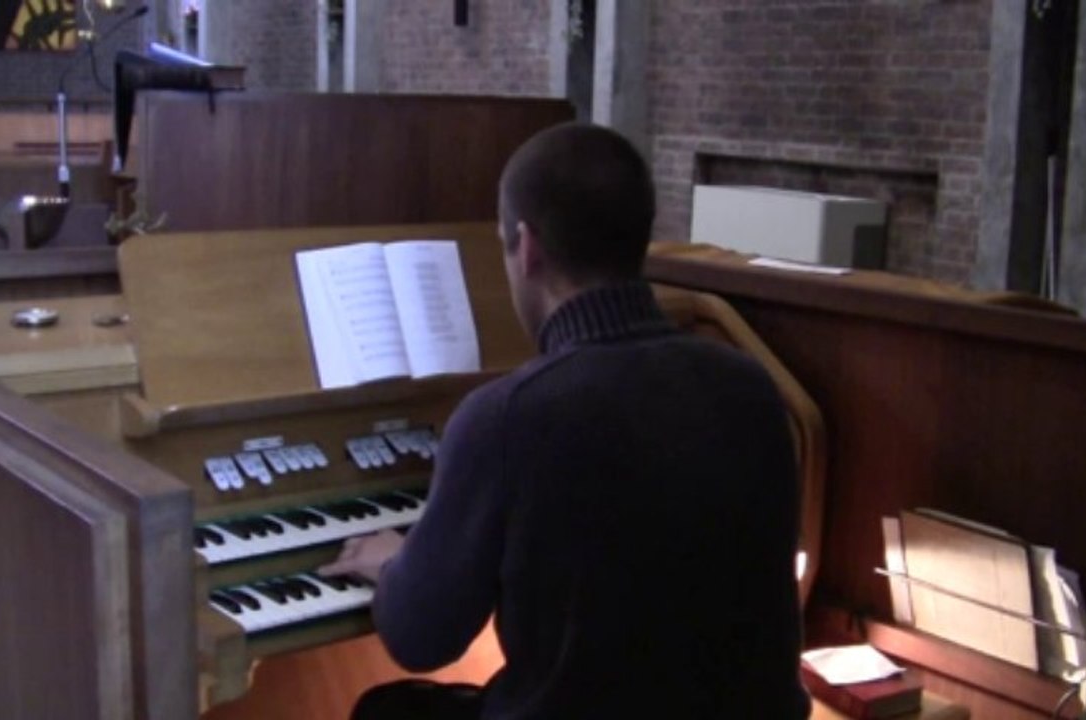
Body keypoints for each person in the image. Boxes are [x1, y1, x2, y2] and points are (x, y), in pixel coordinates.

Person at [318, 122, 809, 720]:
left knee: (388, 713)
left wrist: (394, 565)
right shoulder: (751, 387)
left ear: (527, 248)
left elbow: (421, 638)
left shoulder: (508, 416)